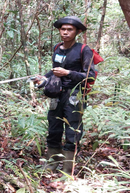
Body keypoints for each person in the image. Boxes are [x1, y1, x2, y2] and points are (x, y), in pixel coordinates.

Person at [34, 15, 97, 174]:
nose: (66, 32)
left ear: (77, 32)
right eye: (63, 29)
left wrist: (68, 73)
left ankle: (68, 170)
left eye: (70, 29)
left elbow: (90, 76)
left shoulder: (84, 50)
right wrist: (43, 79)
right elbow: (54, 70)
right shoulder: (57, 48)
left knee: (72, 131)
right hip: (56, 95)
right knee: (54, 130)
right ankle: (51, 166)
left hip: (74, 95)